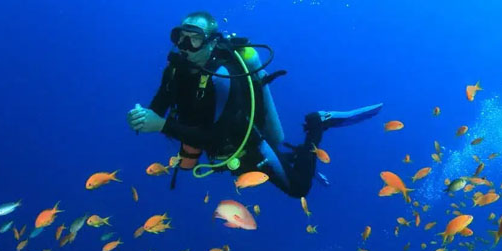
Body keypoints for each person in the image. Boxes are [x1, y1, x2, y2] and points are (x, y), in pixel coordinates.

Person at [126, 11, 382, 197]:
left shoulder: (223, 77)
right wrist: (141, 117)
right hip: (219, 147)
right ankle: (300, 158)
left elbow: (215, 136)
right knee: (284, 162)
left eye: (193, 38)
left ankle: (317, 123)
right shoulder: (174, 70)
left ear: (212, 41)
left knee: (298, 188)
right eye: (179, 36)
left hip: (247, 143)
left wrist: (161, 125)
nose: (183, 45)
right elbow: (157, 109)